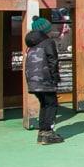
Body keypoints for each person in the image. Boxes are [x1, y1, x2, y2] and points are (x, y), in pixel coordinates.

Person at [25, 15, 63, 145]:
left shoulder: (31, 45)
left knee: (44, 104)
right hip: (45, 79)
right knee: (51, 104)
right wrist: (55, 77)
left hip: (33, 81)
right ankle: (47, 132)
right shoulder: (48, 42)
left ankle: (42, 132)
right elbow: (53, 60)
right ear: (45, 30)